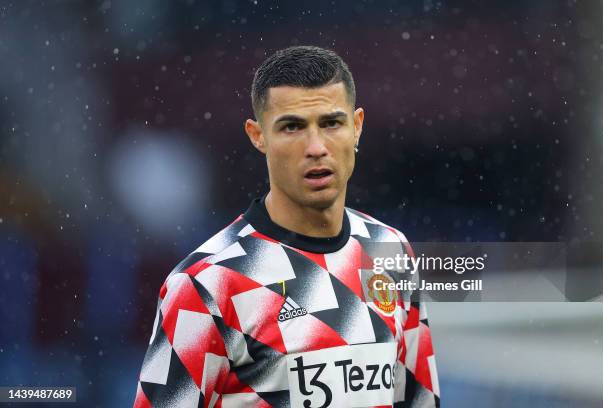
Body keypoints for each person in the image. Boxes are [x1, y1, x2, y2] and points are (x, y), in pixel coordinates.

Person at [133, 45, 440, 408]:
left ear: (356, 126)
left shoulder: (390, 250)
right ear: (257, 135)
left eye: (331, 123)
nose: (315, 147)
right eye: (292, 127)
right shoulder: (206, 284)